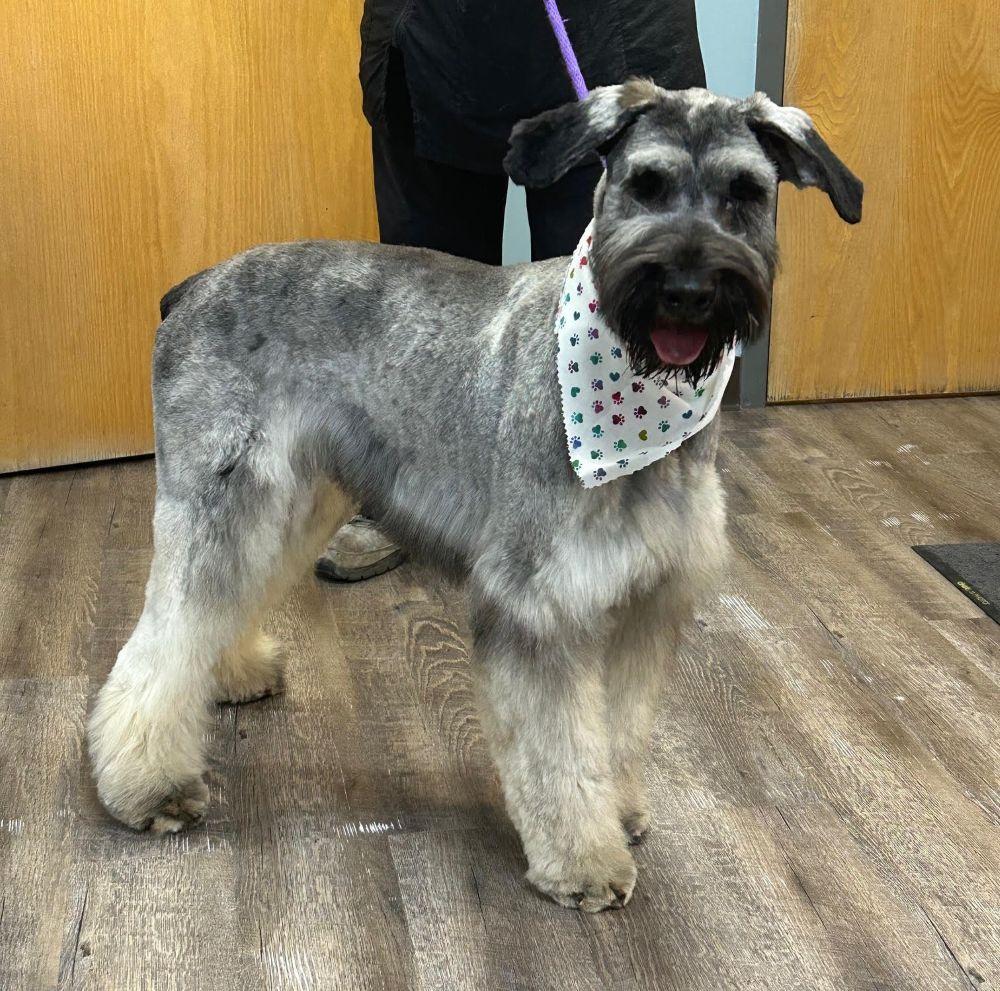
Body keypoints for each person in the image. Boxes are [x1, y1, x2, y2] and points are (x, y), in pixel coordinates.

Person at [315, 0, 706, 581]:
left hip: (613, 33)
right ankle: (415, 502)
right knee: (430, 302)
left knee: (620, 300)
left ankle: (635, 504)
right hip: (434, 35)